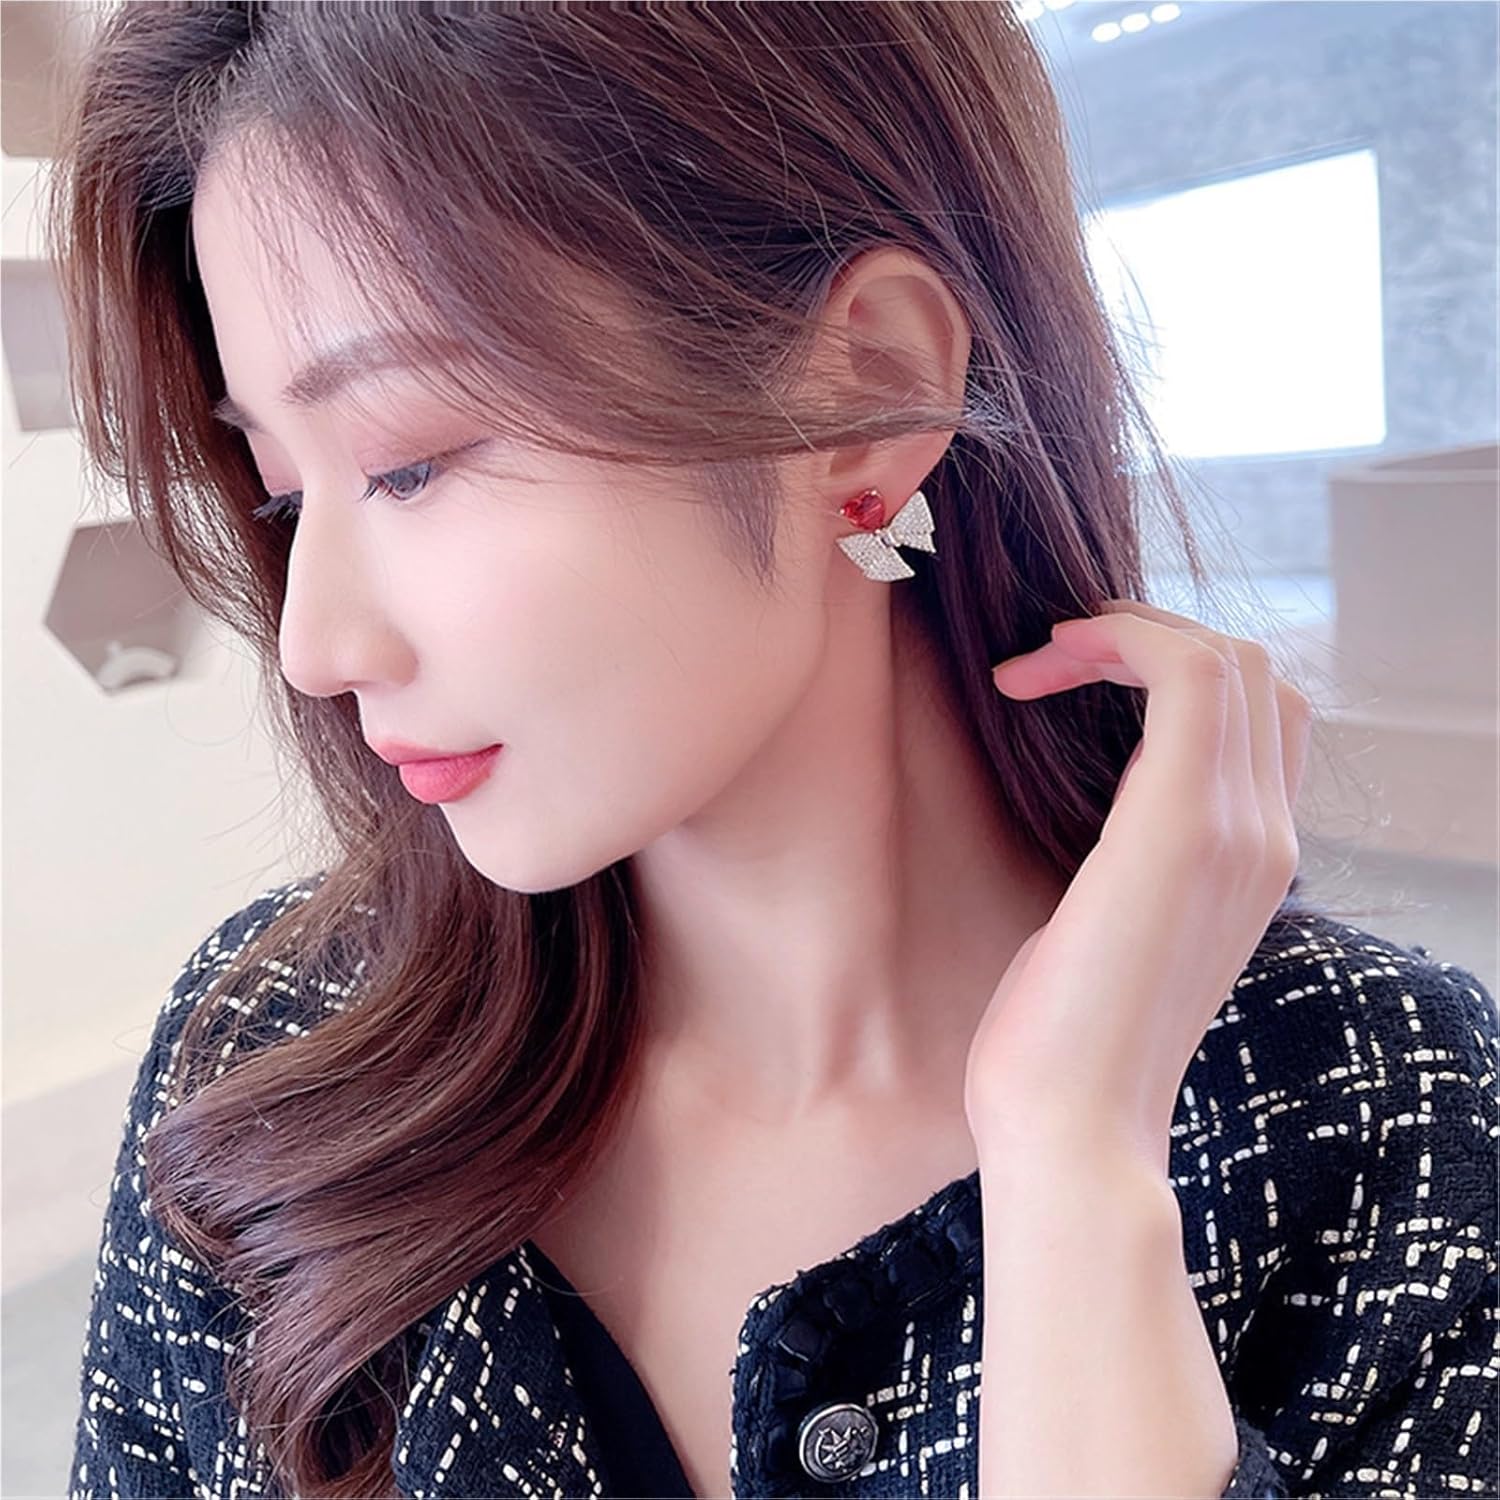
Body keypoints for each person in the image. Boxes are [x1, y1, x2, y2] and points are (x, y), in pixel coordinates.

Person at [51, 4, 1496, 1498]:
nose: (313, 644)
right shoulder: (270, 1063)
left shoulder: (1389, 1111)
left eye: (409, 462)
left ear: (863, 392)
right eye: (284, 493)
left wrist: (1076, 1170)